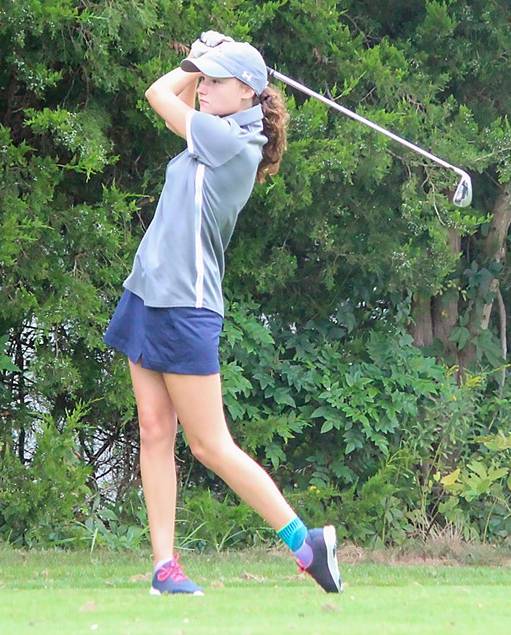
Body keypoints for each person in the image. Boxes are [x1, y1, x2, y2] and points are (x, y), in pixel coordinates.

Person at [103, 31, 342, 596]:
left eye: (215, 79)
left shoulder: (236, 142)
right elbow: (181, 105)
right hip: (148, 294)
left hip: (187, 305)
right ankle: (165, 568)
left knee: (210, 444)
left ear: (247, 92)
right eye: (204, 78)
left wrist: (191, 58)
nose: (204, 87)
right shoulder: (216, 130)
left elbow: (160, 95)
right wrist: (207, 58)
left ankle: (304, 543)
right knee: (154, 430)